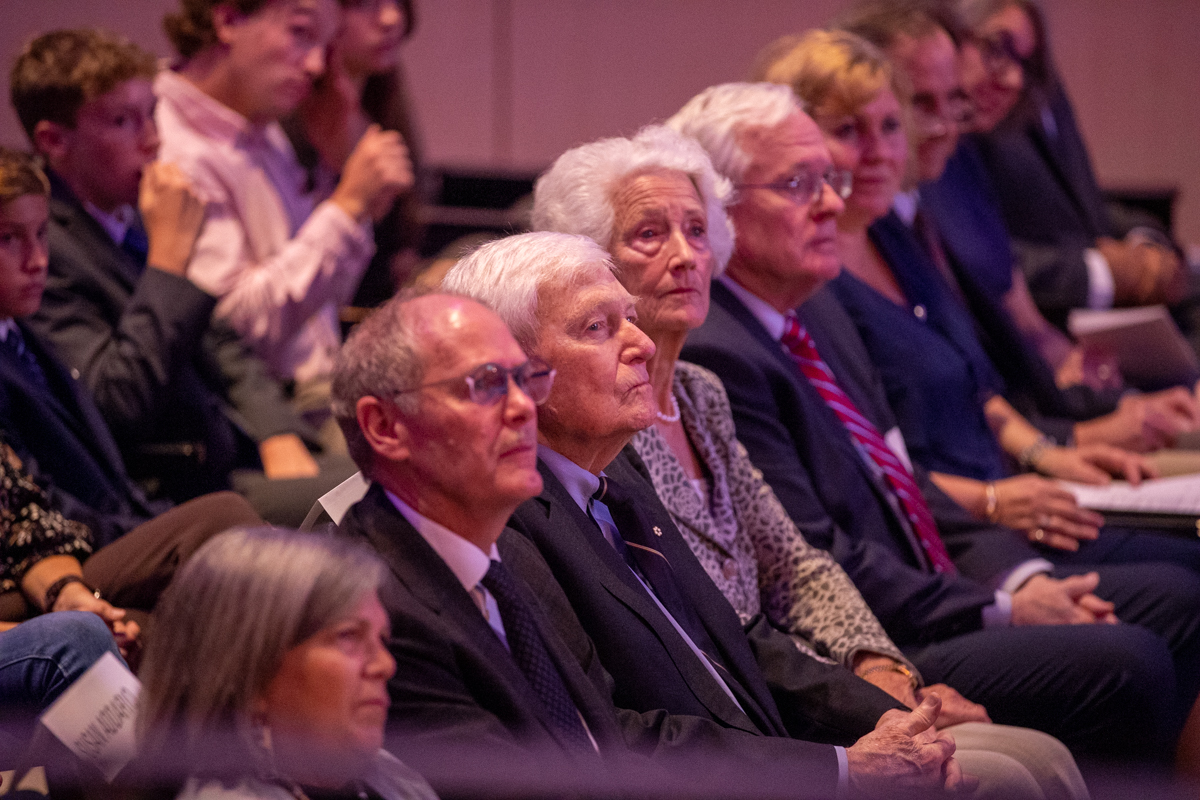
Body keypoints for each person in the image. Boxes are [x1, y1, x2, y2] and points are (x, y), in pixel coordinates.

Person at [530, 125, 1088, 800]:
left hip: (784, 677)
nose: (685, 255)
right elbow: (695, 650)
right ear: (588, 265)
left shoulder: (702, 393)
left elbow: (793, 564)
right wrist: (861, 714)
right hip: (748, 708)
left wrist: (876, 667)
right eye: (650, 234)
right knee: (1022, 762)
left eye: (698, 231)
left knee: (1039, 757)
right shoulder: (605, 429)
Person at [668, 80, 1200, 760]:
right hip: (880, 629)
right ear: (722, 210)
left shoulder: (814, 306)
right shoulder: (720, 353)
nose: (834, 200)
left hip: (932, 581)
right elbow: (815, 553)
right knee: (1132, 657)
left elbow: (899, 478)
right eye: (800, 184)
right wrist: (1000, 606)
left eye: (827, 180)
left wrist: (1019, 581)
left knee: (1178, 593)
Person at [330, 288, 970, 798]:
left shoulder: (503, 555)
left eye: (526, 381)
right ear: (385, 427)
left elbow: (601, 735)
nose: (524, 409)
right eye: (486, 386)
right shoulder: (376, 606)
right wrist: (840, 774)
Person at [758, 28, 1200, 578]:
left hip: (1005, 492)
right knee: (1177, 586)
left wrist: (1048, 454)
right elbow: (868, 460)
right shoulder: (809, 281)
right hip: (951, 531)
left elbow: (977, 386)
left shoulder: (893, 233)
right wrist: (998, 496)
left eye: (892, 126)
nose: (878, 151)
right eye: (848, 130)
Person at [10, 29, 353, 523]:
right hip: (164, 492)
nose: (153, 140)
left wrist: (277, 432)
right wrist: (169, 262)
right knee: (368, 502)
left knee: (385, 483)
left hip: (230, 458)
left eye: (151, 114)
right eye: (123, 121)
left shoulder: (131, 218)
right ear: (54, 140)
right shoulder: (43, 250)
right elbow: (113, 404)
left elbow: (222, 342)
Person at [832, 1, 1200, 455]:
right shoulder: (864, 232)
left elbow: (987, 377)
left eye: (953, 103)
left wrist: (1102, 405)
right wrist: (1064, 444)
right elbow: (905, 438)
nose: (945, 125)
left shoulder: (941, 182)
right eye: (919, 105)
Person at [155, 0, 413, 446]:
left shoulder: (262, 129)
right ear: (230, 19)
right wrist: (346, 206)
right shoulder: (169, 141)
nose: (316, 65)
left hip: (323, 388)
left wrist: (348, 195)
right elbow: (232, 333)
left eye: (323, 44)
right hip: (262, 416)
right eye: (300, 32)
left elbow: (320, 308)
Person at [136, 527, 436, 799]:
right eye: (348, 636)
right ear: (250, 672)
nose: (385, 665)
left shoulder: (392, 778)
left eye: (382, 639)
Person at [958, 0, 1189, 334]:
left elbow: (1083, 205)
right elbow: (982, 257)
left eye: (1025, 61)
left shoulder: (1044, 90)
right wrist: (1105, 272)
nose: (1014, 80)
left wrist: (1144, 244)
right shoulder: (965, 130)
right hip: (1046, 326)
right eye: (999, 47)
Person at [287, 0, 425, 306]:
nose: (391, 18)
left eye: (397, 3)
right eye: (366, 3)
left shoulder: (383, 104)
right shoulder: (288, 121)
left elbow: (398, 244)